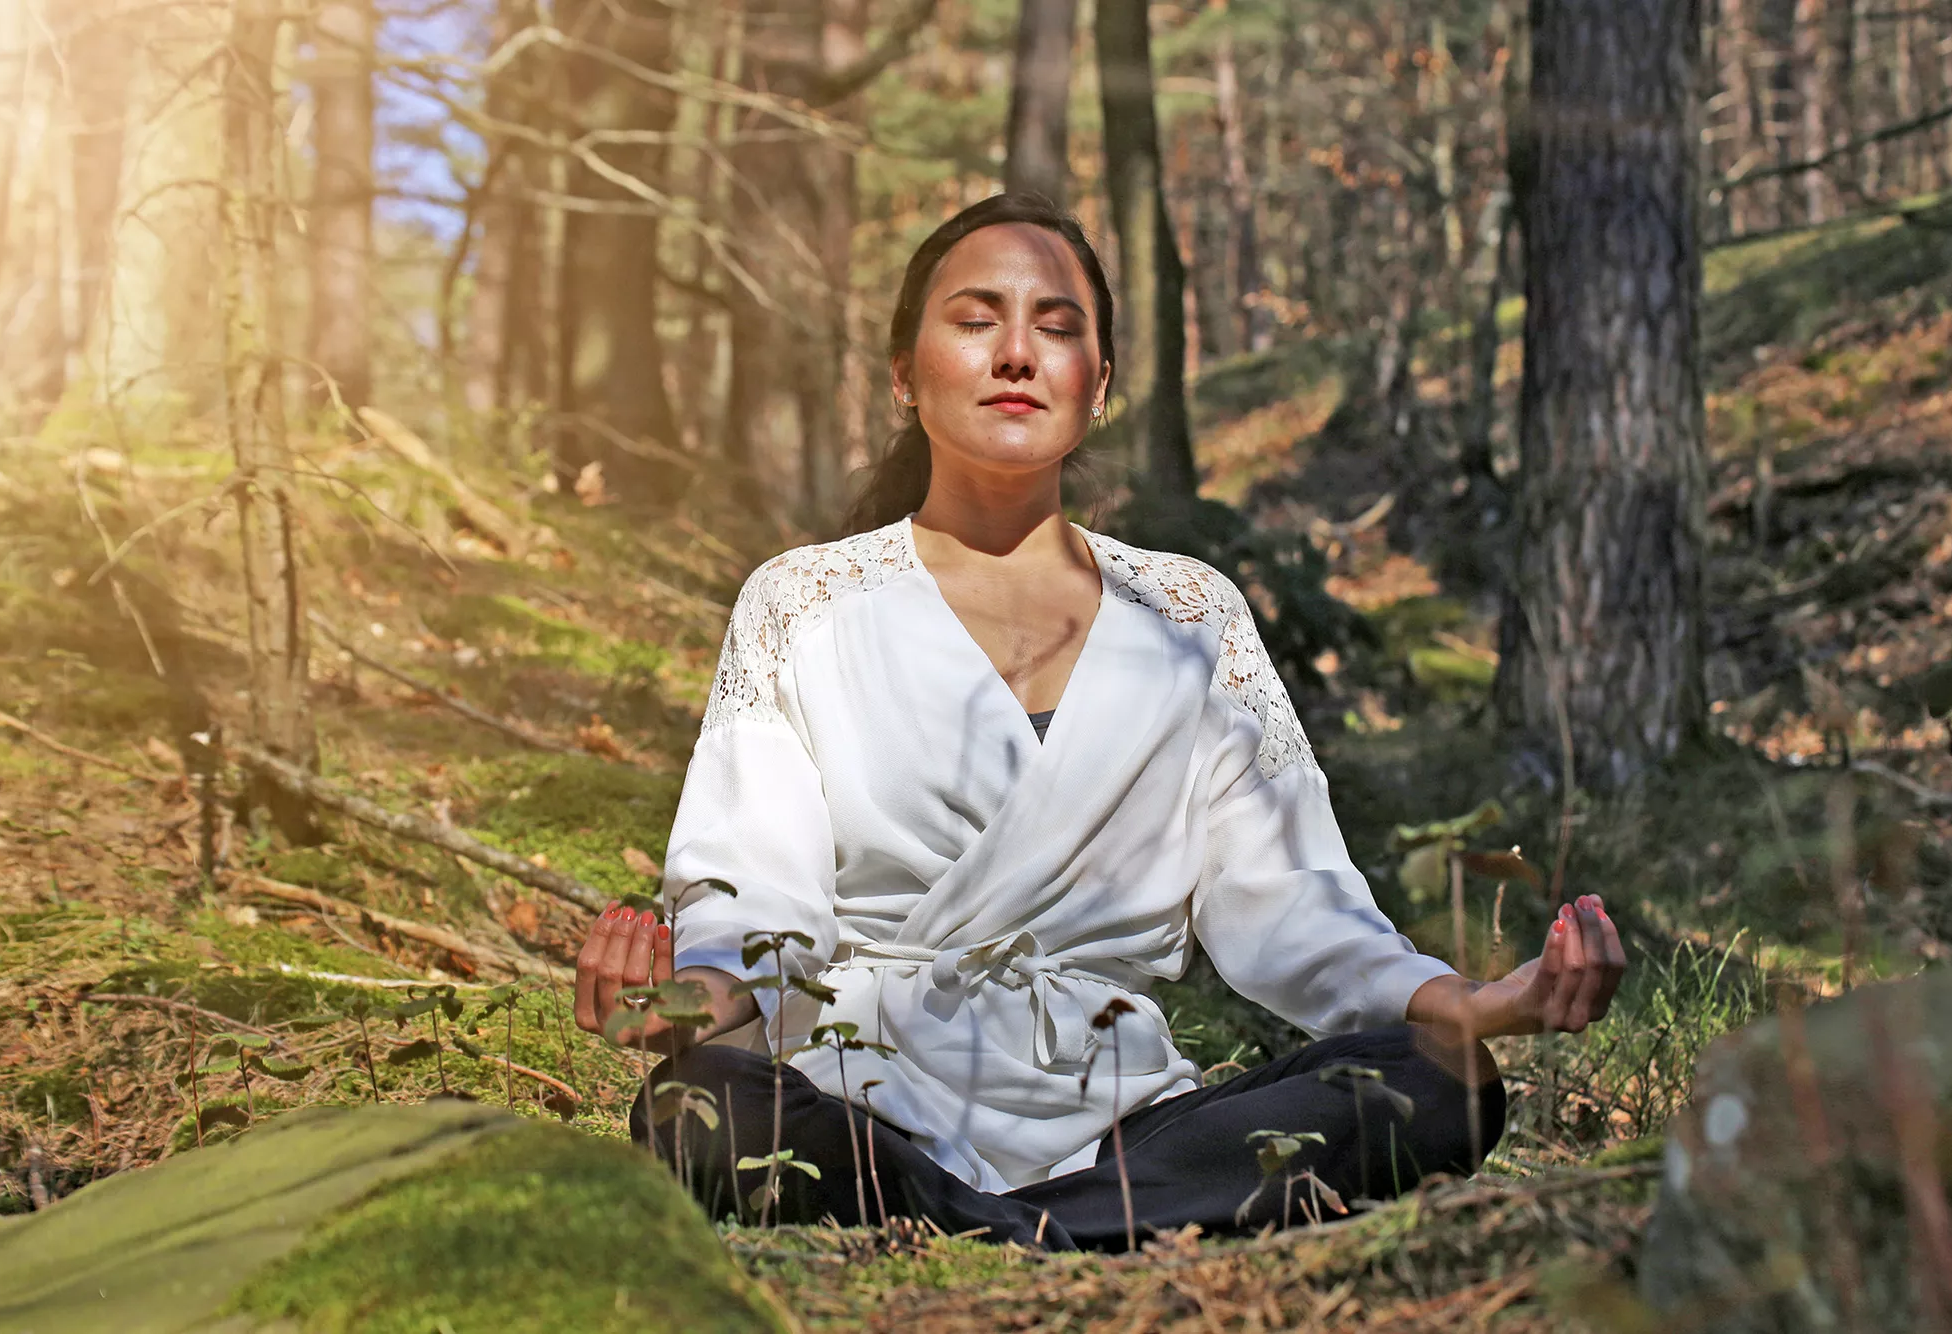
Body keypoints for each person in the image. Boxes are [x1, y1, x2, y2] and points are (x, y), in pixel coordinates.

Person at [572, 193, 1627, 1252]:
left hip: (1127, 1118)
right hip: (862, 1104)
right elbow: (756, 887)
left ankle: (989, 1226)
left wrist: (1473, 1004)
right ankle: (1078, 1230)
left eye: (1059, 325)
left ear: (1101, 384)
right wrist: (685, 1005)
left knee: (1431, 1083)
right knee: (697, 1105)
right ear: (903, 373)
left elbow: (1294, 905)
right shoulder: (804, 601)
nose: (1017, 354)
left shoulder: (1186, 616)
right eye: (976, 318)